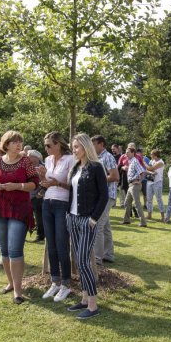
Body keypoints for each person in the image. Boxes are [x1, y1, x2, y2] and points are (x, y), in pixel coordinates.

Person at [0, 130, 39, 305]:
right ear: (6, 144)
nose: (19, 144)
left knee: (15, 249)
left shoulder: (25, 162)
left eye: (20, 142)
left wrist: (16, 185)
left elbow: (35, 183)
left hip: (19, 209)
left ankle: (18, 289)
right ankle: (10, 283)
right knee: (4, 250)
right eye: (15, 142)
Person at [65, 133, 108, 319]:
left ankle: (92, 305)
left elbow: (103, 196)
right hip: (72, 218)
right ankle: (83, 299)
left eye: (76, 147)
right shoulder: (75, 167)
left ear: (85, 147)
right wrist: (68, 214)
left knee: (83, 262)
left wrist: (94, 218)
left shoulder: (96, 167)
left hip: (87, 220)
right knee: (78, 260)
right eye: (73, 147)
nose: (74, 150)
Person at [39, 132, 76, 302]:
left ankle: (66, 285)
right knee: (51, 245)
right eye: (45, 145)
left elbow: (74, 186)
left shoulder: (70, 159)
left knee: (62, 245)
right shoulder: (47, 160)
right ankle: (55, 281)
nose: (46, 148)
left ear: (58, 144)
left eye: (48, 145)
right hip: (47, 203)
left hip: (62, 204)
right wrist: (42, 178)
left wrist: (57, 183)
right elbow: (47, 183)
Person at [92, 135, 119, 264]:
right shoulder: (98, 157)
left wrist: (98, 181)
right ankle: (108, 254)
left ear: (101, 144)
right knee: (106, 226)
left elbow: (115, 176)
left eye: (94, 144)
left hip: (108, 196)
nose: (92, 147)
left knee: (98, 225)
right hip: (101, 196)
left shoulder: (107, 157)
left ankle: (97, 258)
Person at [122, 144, 147, 227]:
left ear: (133, 153)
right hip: (131, 185)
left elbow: (143, 172)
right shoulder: (131, 162)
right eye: (125, 152)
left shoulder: (135, 161)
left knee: (137, 203)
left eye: (127, 152)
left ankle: (143, 222)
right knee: (126, 203)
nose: (126, 154)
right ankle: (126, 220)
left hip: (134, 185)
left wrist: (139, 181)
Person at [27, 149, 45, 242]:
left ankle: (40, 235)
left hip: (38, 196)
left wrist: (40, 193)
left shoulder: (42, 167)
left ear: (36, 158)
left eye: (29, 155)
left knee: (39, 217)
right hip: (27, 196)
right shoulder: (27, 167)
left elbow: (45, 181)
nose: (27, 157)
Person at [145, 149, 165, 221]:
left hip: (157, 182)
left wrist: (144, 163)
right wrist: (151, 172)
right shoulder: (151, 161)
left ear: (155, 155)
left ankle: (162, 216)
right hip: (150, 181)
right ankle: (149, 215)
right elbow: (147, 170)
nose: (150, 155)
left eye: (151, 154)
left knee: (159, 199)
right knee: (149, 199)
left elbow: (150, 168)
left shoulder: (161, 162)